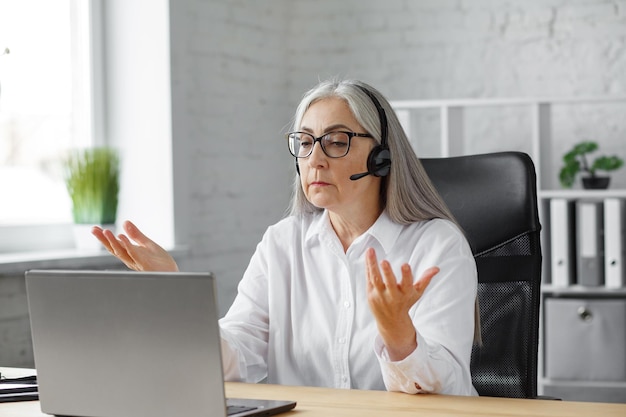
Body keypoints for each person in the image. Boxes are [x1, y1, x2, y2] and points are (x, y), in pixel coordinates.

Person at [92, 79, 479, 396]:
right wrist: (172, 296)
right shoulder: (282, 243)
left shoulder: (437, 246)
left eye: (336, 140)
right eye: (306, 142)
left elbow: (449, 390)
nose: (315, 159)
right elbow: (234, 357)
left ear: (381, 157)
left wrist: (400, 337)